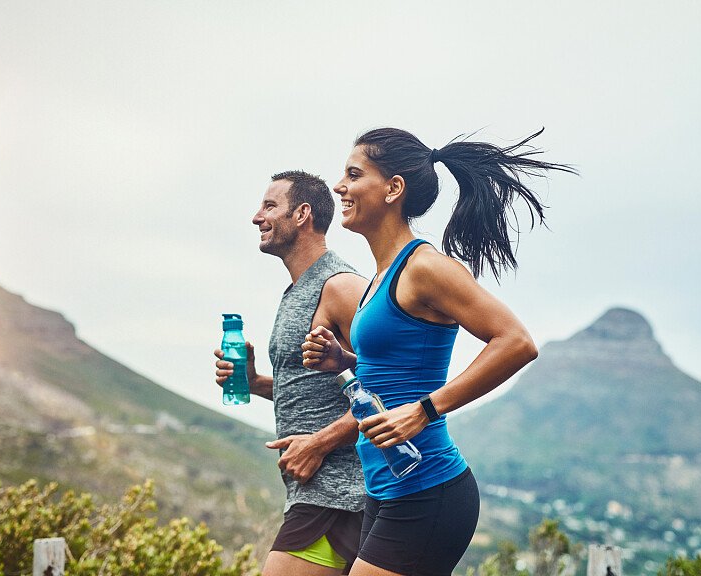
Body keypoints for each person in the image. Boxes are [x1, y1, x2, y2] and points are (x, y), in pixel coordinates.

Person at [301, 128, 575, 576]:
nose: (339, 186)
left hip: (428, 490)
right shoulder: (380, 277)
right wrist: (346, 362)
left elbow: (516, 342)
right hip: (387, 487)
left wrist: (426, 410)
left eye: (353, 174)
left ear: (394, 188)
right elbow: (400, 366)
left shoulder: (425, 267)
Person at [213, 170, 370, 576]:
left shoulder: (340, 287)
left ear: (302, 214)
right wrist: (255, 382)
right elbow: (319, 381)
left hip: (340, 494)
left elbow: (388, 386)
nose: (256, 217)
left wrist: (318, 444)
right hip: (315, 492)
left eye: (269, 206)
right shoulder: (299, 289)